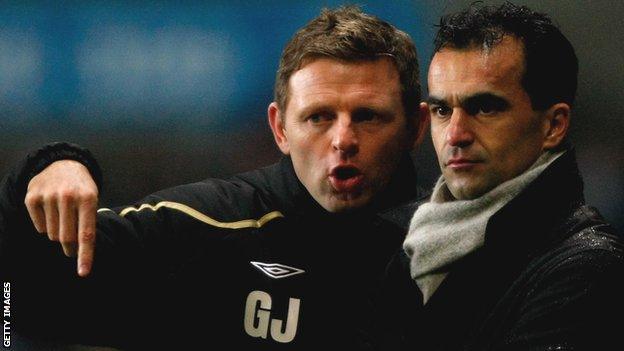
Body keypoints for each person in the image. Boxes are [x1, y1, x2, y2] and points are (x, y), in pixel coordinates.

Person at [0, 6, 428, 350]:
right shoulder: (209, 230)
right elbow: (18, 295)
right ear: (280, 129)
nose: (343, 139)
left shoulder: (465, 250)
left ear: (414, 127)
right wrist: (48, 165)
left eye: (368, 116)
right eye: (318, 117)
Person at [377, 3, 624, 350]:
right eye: (442, 110)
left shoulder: (587, 269)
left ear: (553, 125)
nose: (455, 134)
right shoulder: (407, 245)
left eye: (485, 108)